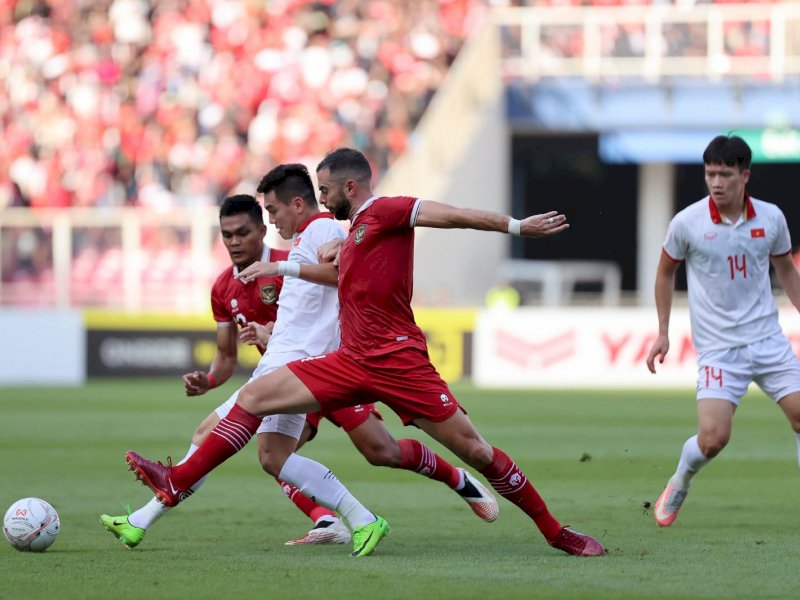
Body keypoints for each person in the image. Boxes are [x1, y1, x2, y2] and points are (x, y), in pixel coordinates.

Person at [126, 148, 605, 557]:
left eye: (325, 189)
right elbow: (333, 277)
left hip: (399, 362)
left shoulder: (386, 211)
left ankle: (556, 532)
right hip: (350, 361)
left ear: (349, 186)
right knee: (253, 398)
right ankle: (176, 481)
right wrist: (291, 276)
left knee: (476, 450)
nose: (321, 197)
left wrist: (517, 227)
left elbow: (452, 215)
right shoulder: (353, 234)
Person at [646, 135, 800, 527]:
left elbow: (785, 270)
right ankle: (681, 478)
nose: (716, 183)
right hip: (718, 349)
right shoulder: (687, 222)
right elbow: (665, 272)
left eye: (725, 174)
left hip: (767, 340)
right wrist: (662, 331)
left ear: (744, 176)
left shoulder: (771, 219)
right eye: (710, 173)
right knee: (713, 439)